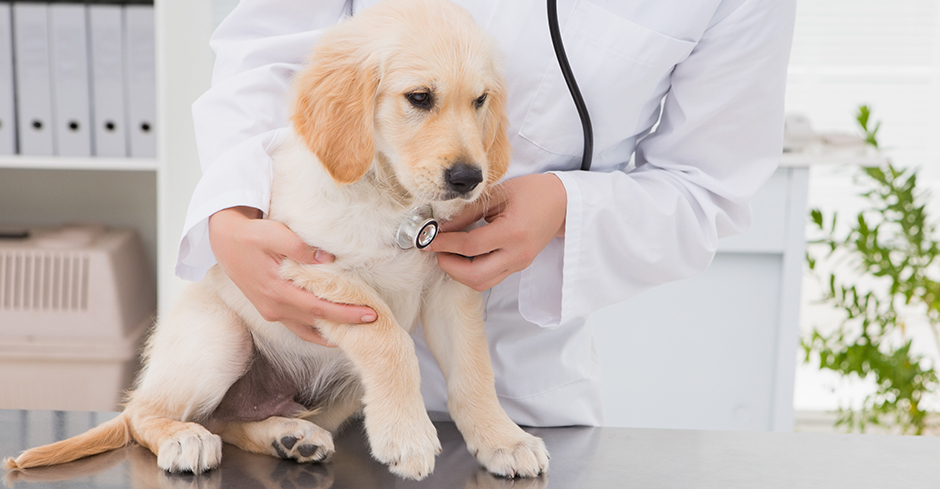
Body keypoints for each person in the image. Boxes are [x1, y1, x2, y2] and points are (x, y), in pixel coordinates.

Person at [178, 0, 796, 427]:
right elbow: (266, 55)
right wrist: (233, 212)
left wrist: (564, 208)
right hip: (306, 324)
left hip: (512, 377)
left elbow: (706, 188)